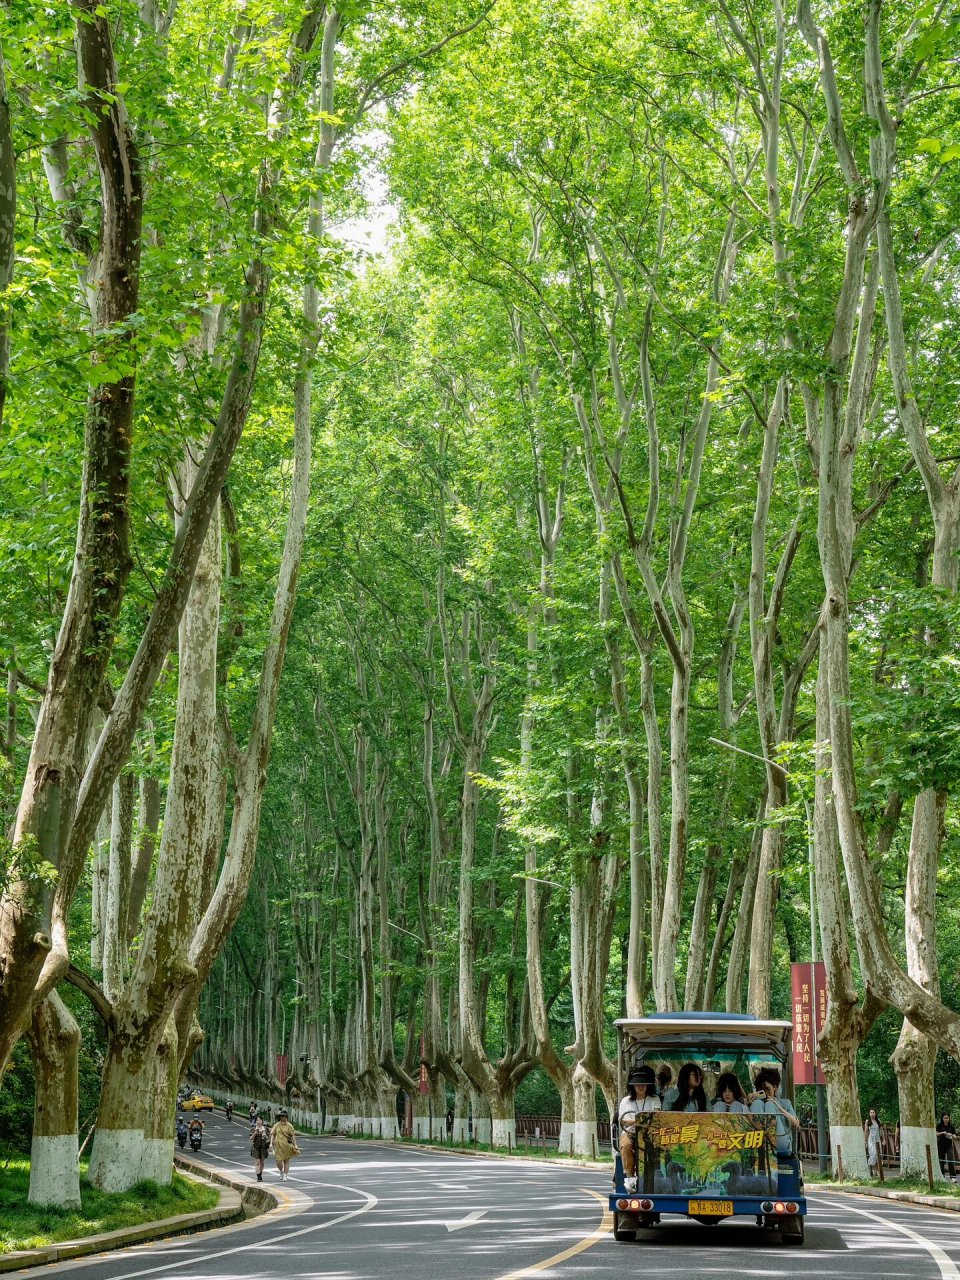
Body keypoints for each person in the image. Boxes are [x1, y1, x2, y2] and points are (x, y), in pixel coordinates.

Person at [618, 1065, 661, 1191]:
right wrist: (642, 1120)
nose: (641, 1087)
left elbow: (657, 1117)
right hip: (629, 1132)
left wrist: (635, 1121)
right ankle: (630, 1179)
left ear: (648, 1085)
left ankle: (649, 1179)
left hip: (650, 1134)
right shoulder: (626, 1101)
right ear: (633, 1086)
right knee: (626, 1145)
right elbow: (623, 1122)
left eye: (643, 1084)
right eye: (638, 1084)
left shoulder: (654, 1099)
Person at [749, 1067, 800, 1154]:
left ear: (775, 1087)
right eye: (762, 1090)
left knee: (769, 1104)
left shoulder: (785, 1103)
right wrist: (748, 1102)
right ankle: (758, 1142)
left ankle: (766, 1142)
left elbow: (796, 1124)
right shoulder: (757, 1102)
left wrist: (777, 1106)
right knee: (757, 1103)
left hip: (780, 1142)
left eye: (768, 1089)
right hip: (758, 1142)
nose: (765, 1092)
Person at [271, 1107, 301, 1181]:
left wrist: (295, 1145)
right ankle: (281, 1171)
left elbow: (293, 1136)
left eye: (283, 1116)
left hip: (287, 1146)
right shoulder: (277, 1125)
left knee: (286, 1161)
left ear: (286, 1117)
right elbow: (273, 1134)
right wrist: (271, 1144)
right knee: (278, 1162)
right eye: (281, 1116)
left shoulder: (289, 1126)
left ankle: (285, 1175)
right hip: (278, 1146)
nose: (282, 1117)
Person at [937, 1113, 958, 1179]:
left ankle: (953, 1177)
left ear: (949, 1119)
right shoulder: (939, 1126)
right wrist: (942, 1133)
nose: (946, 1119)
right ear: (942, 1119)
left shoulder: (951, 1127)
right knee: (941, 1161)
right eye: (945, 1118)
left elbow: (955, 1135)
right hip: (941, 1145)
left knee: (950, 1159)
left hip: (949, 1146)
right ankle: (942, 1176)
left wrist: (953, 1135)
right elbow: (936, 1133)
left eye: (947, 1118)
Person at [250, 1116, 271, 1182]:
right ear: (256, 1122)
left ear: (262, 1121)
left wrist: (265, 1136)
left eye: (260, 1120)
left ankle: (260, 1173)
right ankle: (258, 1176)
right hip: (256, 1147)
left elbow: (269, 1138)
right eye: (257, 1120)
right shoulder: (253, 1129)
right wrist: (255, 1133)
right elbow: (251, 1138)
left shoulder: (265, 1129)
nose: (258, 1122)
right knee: (257, 1162)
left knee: (262, 1163)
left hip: (263, 1147)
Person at [864, 1107, 882, 1176]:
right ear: (869, 1114)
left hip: (877, 1140)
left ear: (875, 1113)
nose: (872, 1114)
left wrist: (883, 1139)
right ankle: (872, 1170)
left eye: (873, 1112)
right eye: (871, 1112)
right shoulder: (867, 1121)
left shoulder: (878, 1121)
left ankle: (878, 1171)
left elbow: (881, 1130)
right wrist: (865, 1142)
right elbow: (866, 1131)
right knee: (873, 1154)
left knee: (878, 1156)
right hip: (871, 1140)